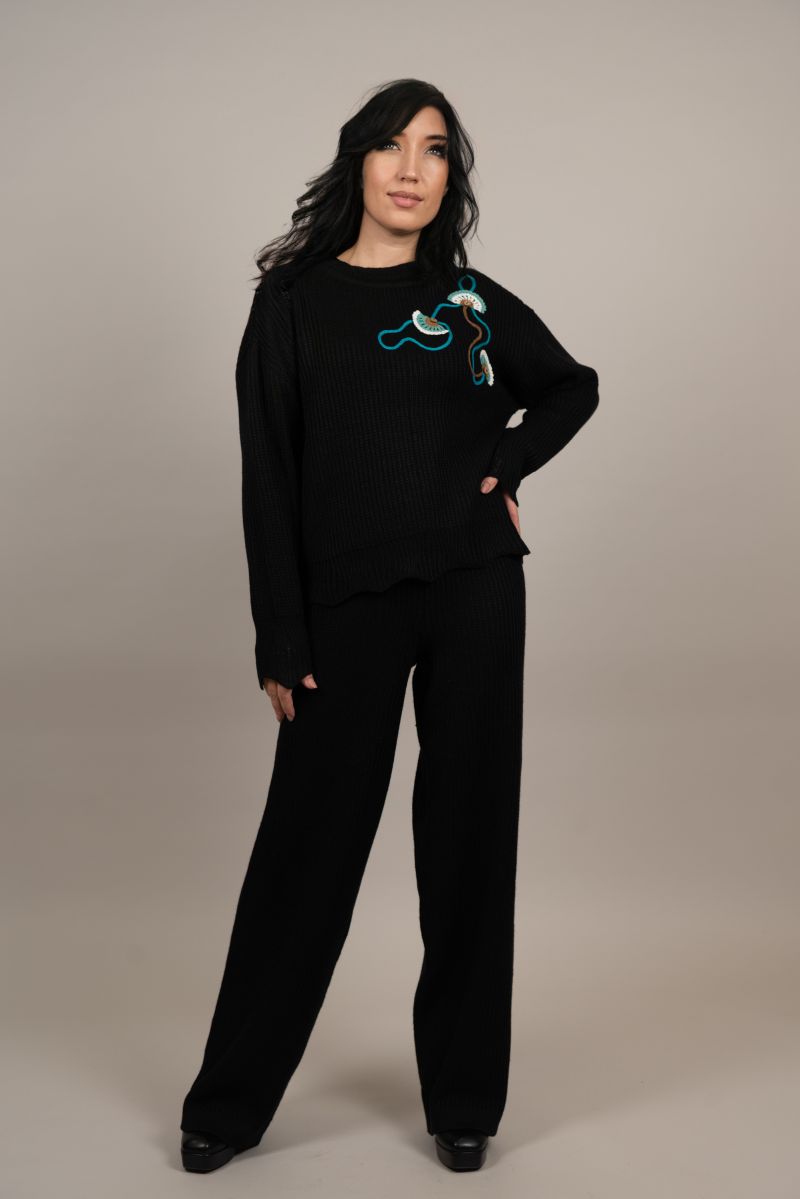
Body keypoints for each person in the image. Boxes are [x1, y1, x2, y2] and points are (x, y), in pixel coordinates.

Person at [179, 76, 599, 1176]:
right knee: (306, 849)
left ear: (451, 177)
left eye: (435, 150)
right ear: (357, 161)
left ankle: (463, 1099)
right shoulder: (291, 302)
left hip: (474, 588)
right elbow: (268, 476)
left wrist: (505, 465)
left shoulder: (467, 300)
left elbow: (570, 386)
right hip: (344, 607)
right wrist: (280, 634)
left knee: (469, 841)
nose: (412, 169)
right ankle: (228, 1103)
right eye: (392, 146)